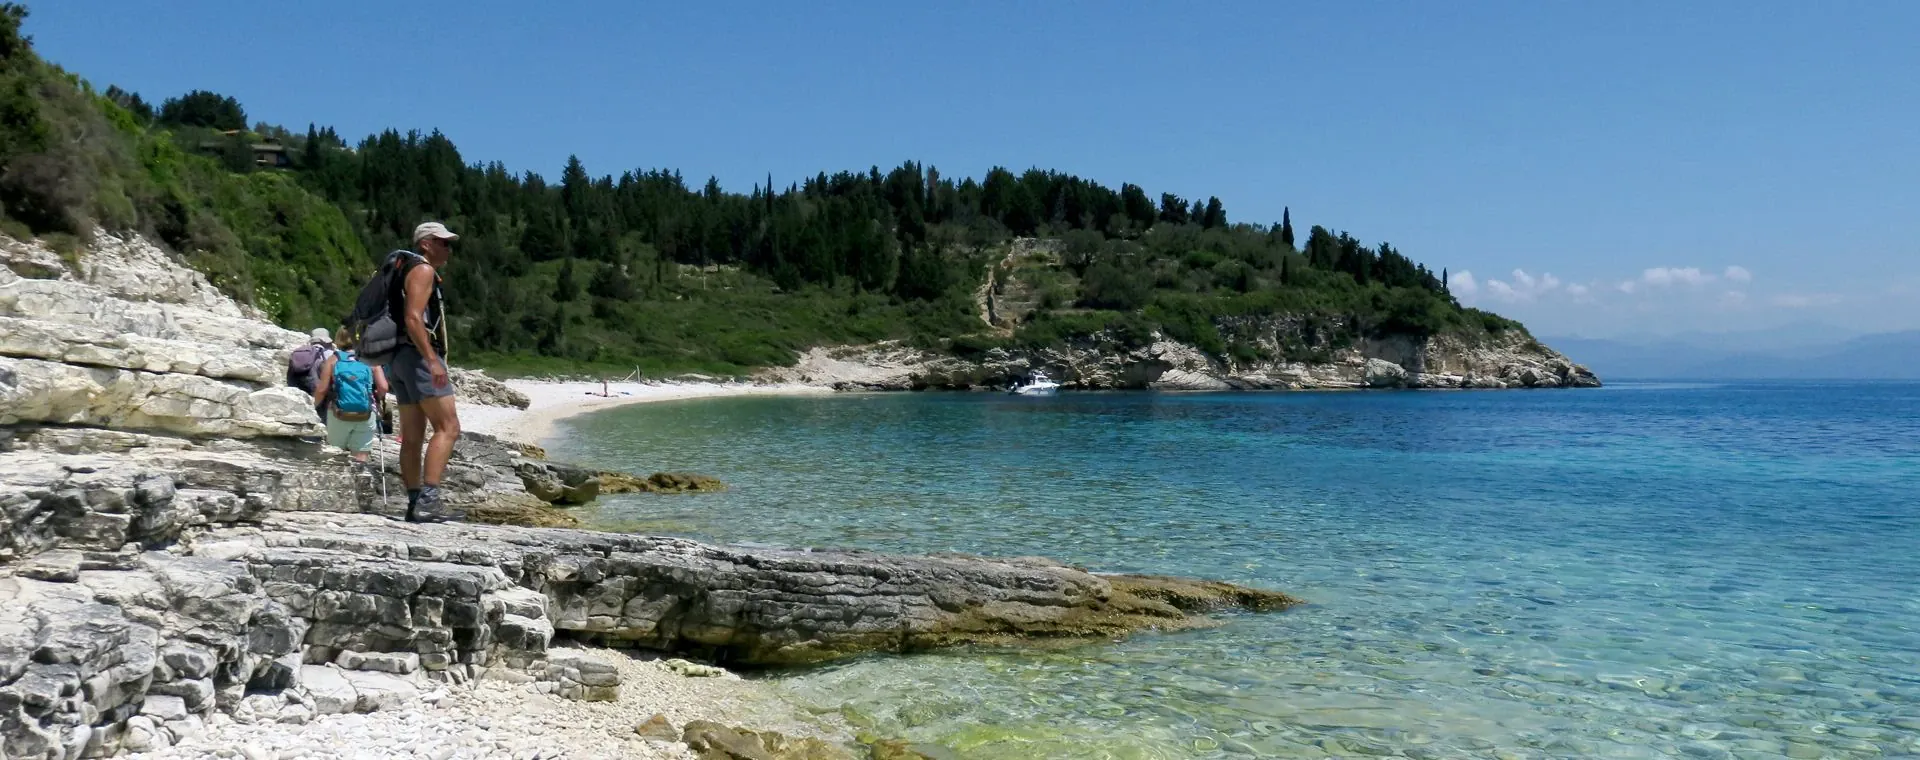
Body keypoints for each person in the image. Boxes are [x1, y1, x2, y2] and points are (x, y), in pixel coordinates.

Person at [390, 221, 461, 522]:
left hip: (398, 359)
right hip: (418, 357)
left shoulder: (401, 270)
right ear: (425, 244)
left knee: (413, 435)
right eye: (442, 242)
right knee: (448, 427)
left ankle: (415, 503)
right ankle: (429, 500)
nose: (448, 248)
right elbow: (414, 318)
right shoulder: (422, 270)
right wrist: (432, 359)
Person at [312, 335, 387, 464]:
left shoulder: (333, 359)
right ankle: (359, 481)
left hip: (338, 413)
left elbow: (322, 389)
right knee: (361, 455)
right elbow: (384, 387)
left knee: (335, 454)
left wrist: (312, 408)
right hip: (366, 413)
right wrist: (375, 397)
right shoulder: (371, 359)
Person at [287, 328, 335, 396]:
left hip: (296, 392)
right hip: (318, 393)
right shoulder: (330, 354)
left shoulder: (300, 352)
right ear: (326, 341)